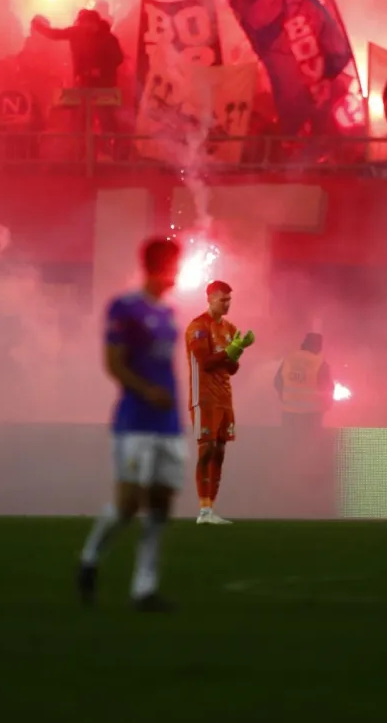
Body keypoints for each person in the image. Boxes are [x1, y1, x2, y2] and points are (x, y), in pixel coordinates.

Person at [77, 237, 185, 611]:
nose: (178, 271)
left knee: (161, 506)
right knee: (128, 504)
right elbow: (114, 364)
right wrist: (147, 391)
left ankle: (145, 589)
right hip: (135, 422)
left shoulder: (170, 314)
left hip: (169, 424)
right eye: (174, 264)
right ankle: (90, 558)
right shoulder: (125, 308)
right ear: (160, 266)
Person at [185, 280, 255, 525]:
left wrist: (237, 350)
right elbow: (205, 362)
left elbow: (232, 369)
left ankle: (211, 509)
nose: (227, 304)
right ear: (210, 299)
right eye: (223, 299)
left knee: (221, 452)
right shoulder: (198, 326)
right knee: (207, 449)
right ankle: (203, 510)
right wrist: (231, 350)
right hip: (203, 397)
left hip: (225, 397)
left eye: (229, 300)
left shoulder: (229, 328)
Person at [274, 333, 334, 432]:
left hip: (289, 414)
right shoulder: (320, 363)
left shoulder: (289, 359)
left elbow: (277, 382)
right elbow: (327, 389)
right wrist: (326, 406)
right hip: (312, 417)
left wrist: (285, 398)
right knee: (308, 445)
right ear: (318, 346)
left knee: (288, 444)